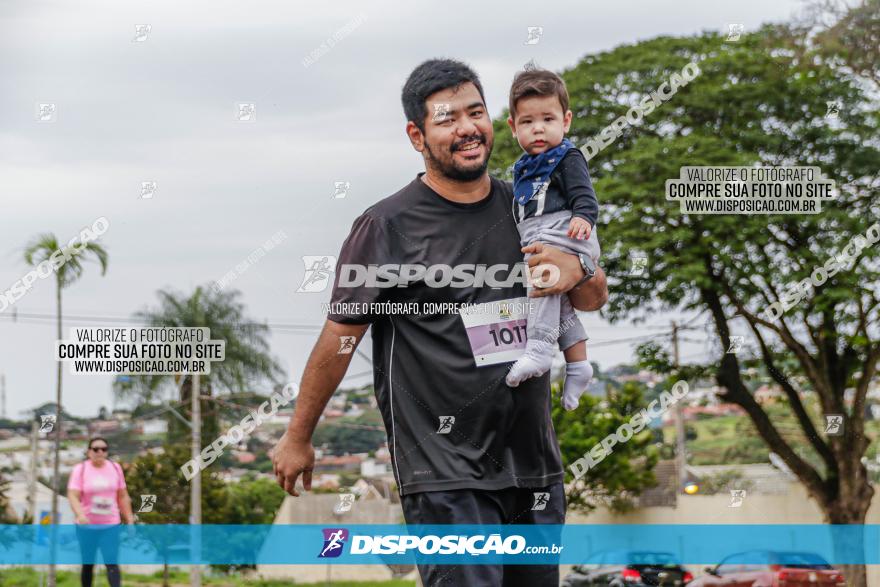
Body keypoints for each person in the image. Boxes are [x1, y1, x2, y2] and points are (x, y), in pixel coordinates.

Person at [273, 58, 608, 587]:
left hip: (533, 467)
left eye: (477, 113)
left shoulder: (524, 205)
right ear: (417, 134)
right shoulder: (386, 226)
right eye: (448, 118)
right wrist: (298, 435)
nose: (468, 128)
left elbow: (590, 297)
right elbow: (340, 339)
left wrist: (577, 266)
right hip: (444, 471)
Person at [503, 67, 601, 413]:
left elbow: (585, 196)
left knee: (541, 286)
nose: (539, 128)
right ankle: (578, 364)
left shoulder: (567, 156)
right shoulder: (523, 165)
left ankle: (540, 350)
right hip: (542, 235)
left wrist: (582, 219)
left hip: (566, 233)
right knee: (559, 303)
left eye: (548, 118)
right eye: (528, 122)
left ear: (566, 120)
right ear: (513, 127)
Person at [67, 437, 134, 587]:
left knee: (111, 563)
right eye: (96, 449)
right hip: (86, 526)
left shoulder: (115, 468)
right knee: (88, 564)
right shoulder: (81, 469)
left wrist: (129, 519)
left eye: (104, 449)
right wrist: (80, 514)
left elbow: (122, 495)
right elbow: (73, 495)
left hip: (110, 525)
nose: (100, 452)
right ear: (89, 452)